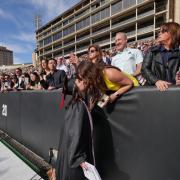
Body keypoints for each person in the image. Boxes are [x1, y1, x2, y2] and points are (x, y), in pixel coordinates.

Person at [55, 61, 101, 180]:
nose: (77, 81)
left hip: (69, 160)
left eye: (79, 78)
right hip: (73, 166)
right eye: (78, 78)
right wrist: (79, 159)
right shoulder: (78, 105)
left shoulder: (80, 103)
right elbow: (74, 134)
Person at [141, 22, 180, 91]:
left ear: (172, 33)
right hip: (154, 90)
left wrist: (178, 81)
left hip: (173, 90)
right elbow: (144, 69)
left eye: (163, 31)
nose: (159, 33)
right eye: (159, 31)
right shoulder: (152, 51)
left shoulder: (178, 53)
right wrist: (156, 81)